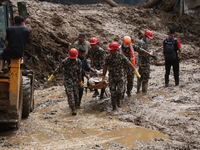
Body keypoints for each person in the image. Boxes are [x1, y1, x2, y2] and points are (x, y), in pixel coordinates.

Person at [102, 42, 141, 111]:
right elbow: (105, 67)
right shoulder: (108, 58)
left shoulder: (121, 56)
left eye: (111, 50)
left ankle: (118, 100)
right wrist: (103, 77)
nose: (110, 51)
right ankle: (114, 107)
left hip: (120, 77)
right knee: (113, 93)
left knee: (120, 92)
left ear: (116, 50)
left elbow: (130, 64)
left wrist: (136, 73)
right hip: (112, 78)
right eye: (110, 50)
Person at [48, 48, 84, 115]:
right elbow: (58, 69)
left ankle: (76, 106)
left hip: (75, 80)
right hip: (68, 80)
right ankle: (73, 108)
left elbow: (79, 72)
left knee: (76, 94)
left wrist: (80, 82)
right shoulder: (65, 61)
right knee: (70, 94)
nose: (72, 60)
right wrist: (51, 77)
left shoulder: (78, 62)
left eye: (73, 58)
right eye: (71, 58)